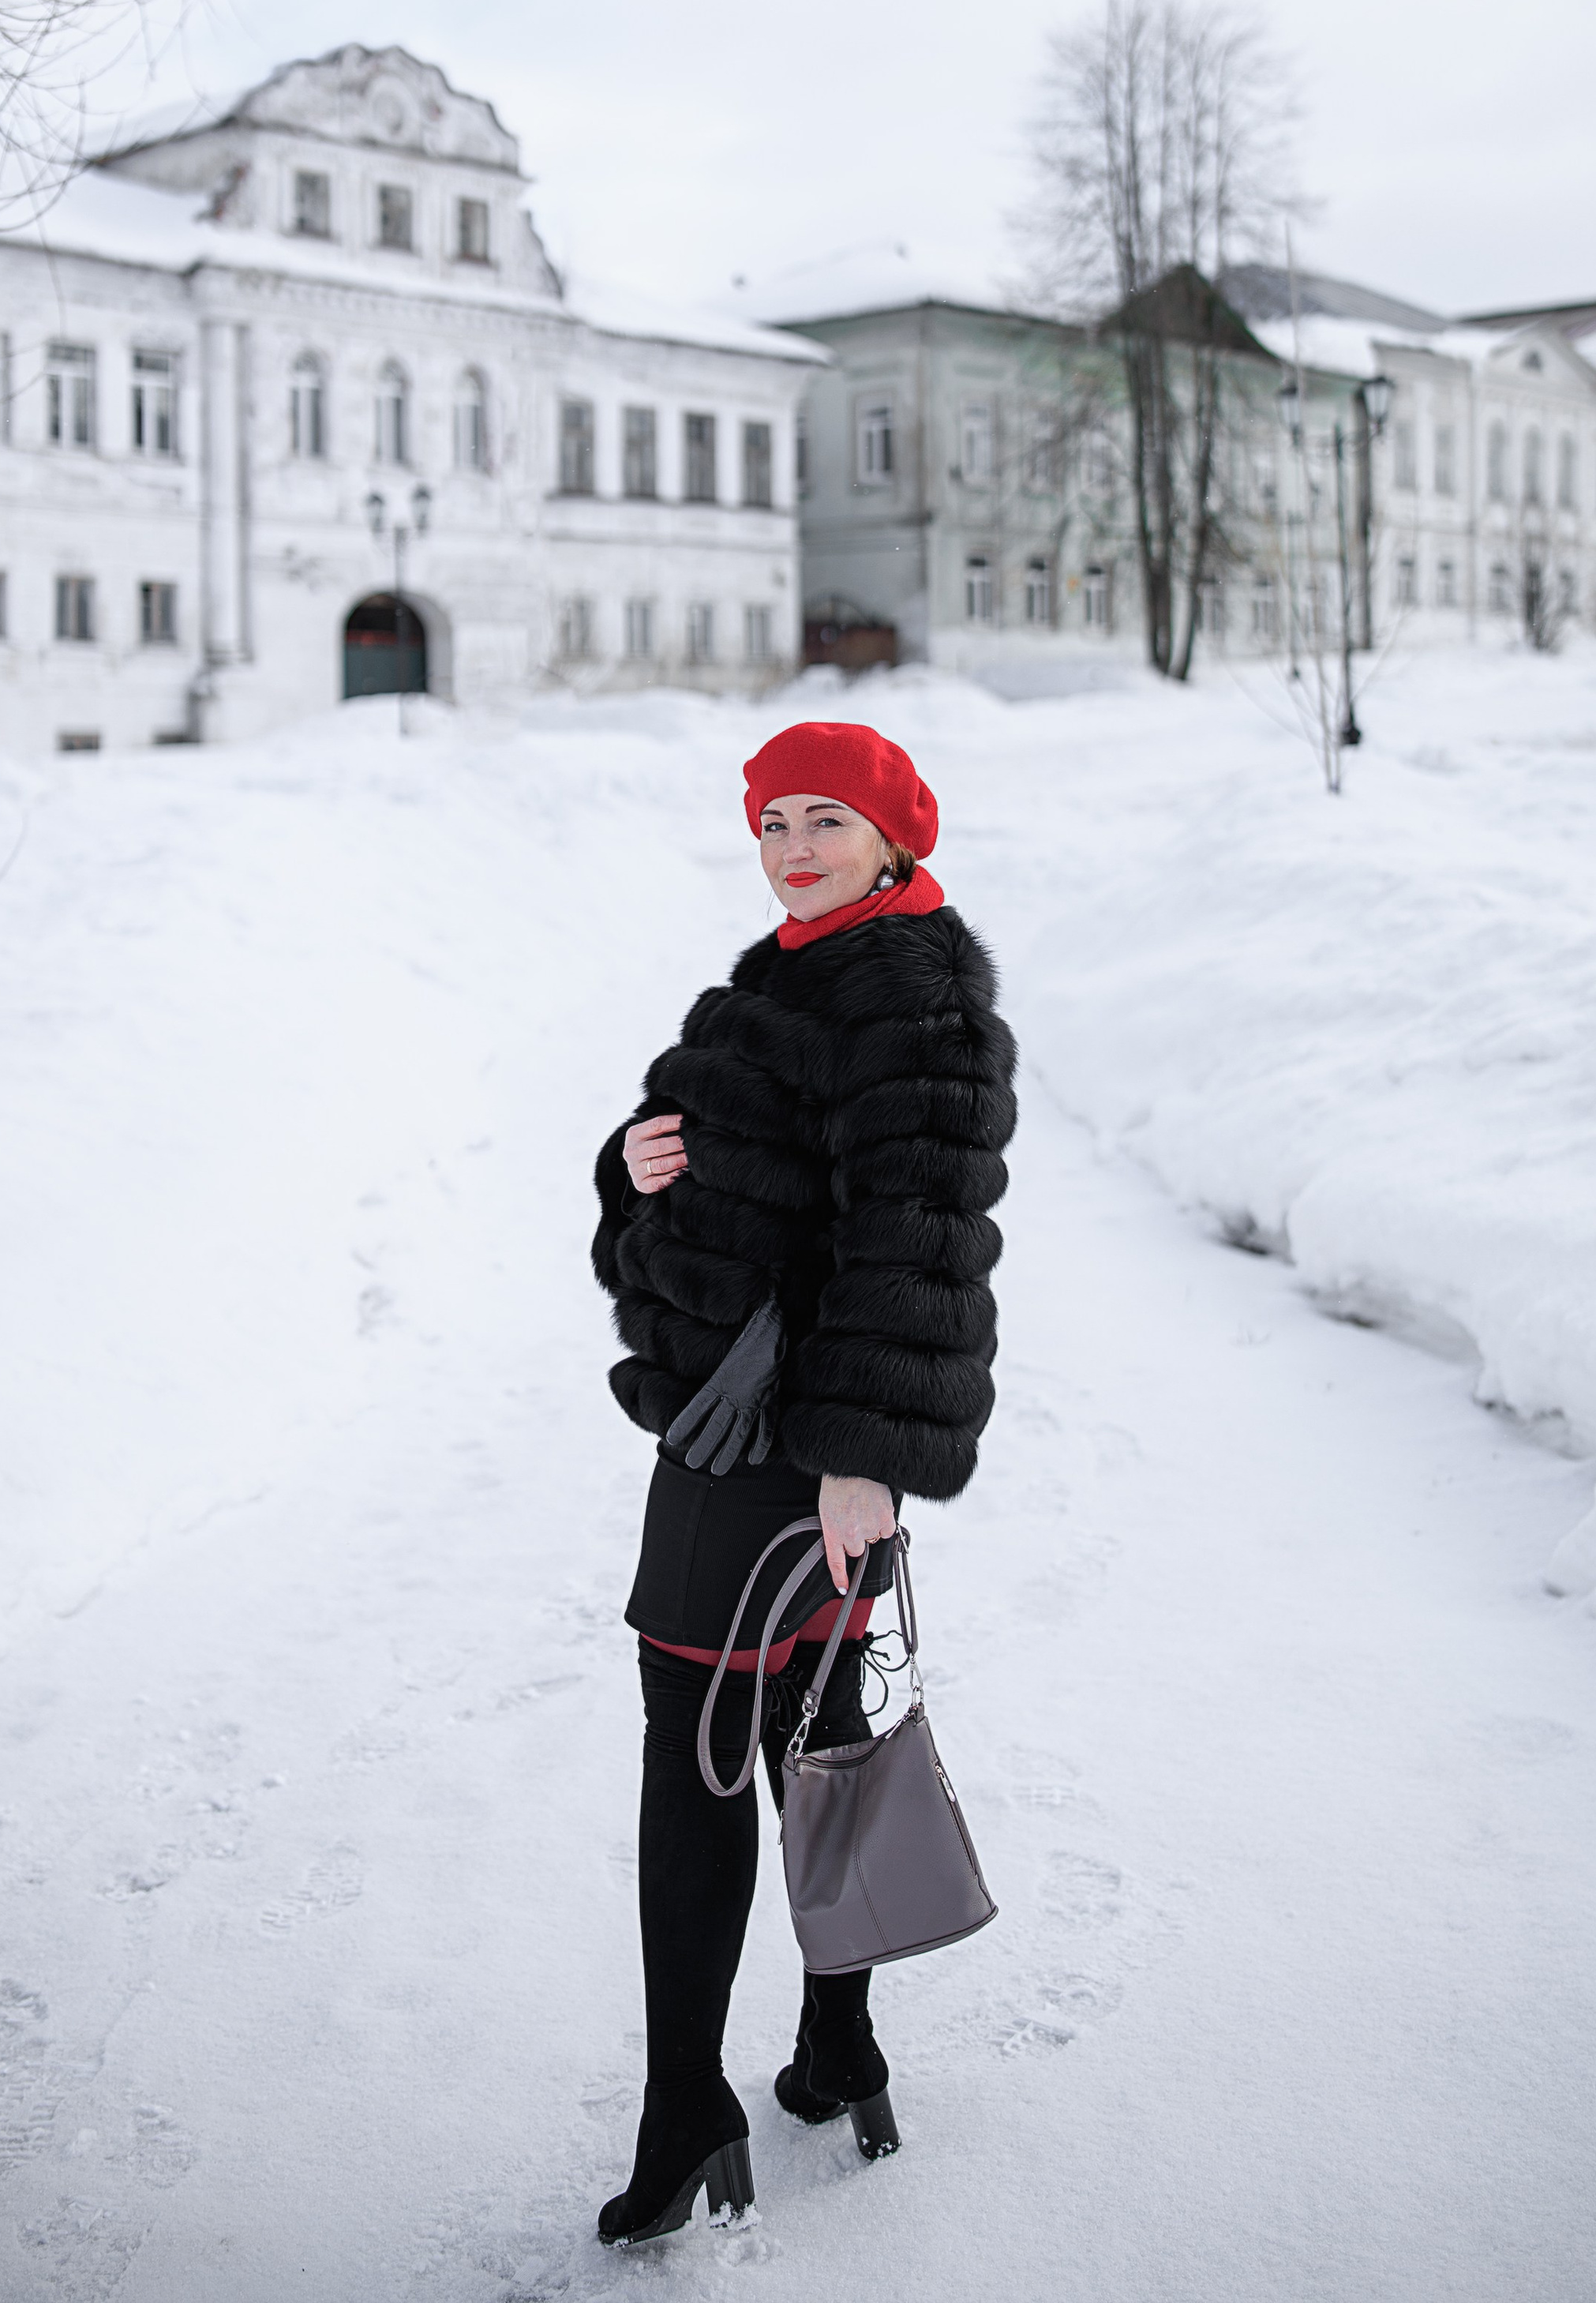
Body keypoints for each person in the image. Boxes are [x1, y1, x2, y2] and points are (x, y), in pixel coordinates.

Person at [589, 719, 1017, 2246]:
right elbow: (689, 1142)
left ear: (895, 833)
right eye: (772, 821)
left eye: (824, 819)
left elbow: (920, 1247)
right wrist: (630, 1162)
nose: (791, 847)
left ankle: (683, 2107)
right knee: (809, 1733)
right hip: (732, 1417)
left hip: (782, 1446)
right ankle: (838, 2047)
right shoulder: (791, 964)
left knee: (694, 1745)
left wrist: (862, 1463)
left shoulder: (913, 1000)